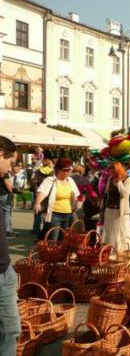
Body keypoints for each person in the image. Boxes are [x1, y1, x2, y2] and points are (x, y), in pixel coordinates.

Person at [0, 136, 20, 356]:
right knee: (9, 332)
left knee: (10, 331)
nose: (10, 169)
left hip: (4, 270)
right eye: (10, 162)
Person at [34, 158, 80, 239]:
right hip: (55, 214)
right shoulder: (50, 180)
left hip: (68, 214)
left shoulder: (70, 180)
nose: (68, 172)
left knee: (64, 238)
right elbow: (42, 191)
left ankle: (61, 252)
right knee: (54, 239)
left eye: (69, 170)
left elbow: (75, 195)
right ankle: (52, 251)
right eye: (65, 170)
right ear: (58, 170)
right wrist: (37, 203)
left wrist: (76, 205)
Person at [102, 162, 130, 250]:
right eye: (110, 171)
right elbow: (106, 193)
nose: (111, 173)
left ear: (118, 171)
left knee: (123, 231)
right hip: (110, 209)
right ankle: (111, 250)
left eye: (113, 171)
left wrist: (119, 183)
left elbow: (125, 194)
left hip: (121, 211)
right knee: (110, 231)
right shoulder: (110, 179)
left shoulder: (129, 180)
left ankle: (124, 251)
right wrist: (102, 207)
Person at [30, 159, 54, 237]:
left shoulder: (37, 172)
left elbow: (33, 182)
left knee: (37, 213)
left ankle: (35, 230)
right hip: (49, 195)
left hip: (39, 194)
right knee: (47, 213)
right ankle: (45, 231)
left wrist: (37, 190)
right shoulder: (53, 172)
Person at [0, 170, 15, 238]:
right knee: (6, 212)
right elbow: (7, 184)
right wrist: (12, 192)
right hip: (3, 194)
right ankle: (7, 231)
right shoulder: (3, 171)